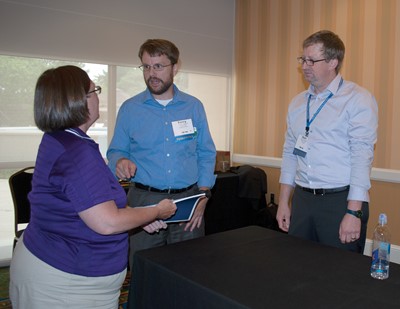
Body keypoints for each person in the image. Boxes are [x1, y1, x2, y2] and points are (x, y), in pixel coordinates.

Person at [9, 65, 176, 309]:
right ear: (80, 100)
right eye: (94, 90)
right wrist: (156, 211)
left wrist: (137, 217)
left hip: (58, 270)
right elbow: (106, 222)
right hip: (65, 280)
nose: (98, 96)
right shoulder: (76, 151)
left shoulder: (63, 138)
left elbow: (91, 205)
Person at [107, 39, 216, 265]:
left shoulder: (193, 106)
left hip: (188, 200)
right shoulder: (130, 109)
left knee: (189, 268)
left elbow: (205, 152)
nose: (151, 73)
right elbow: (115, 151)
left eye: (158, 66)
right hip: (144, 201)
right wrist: (120, 161)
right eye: (146, 66)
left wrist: (203, 195)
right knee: (144, 267)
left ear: (175, 68)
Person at [277, 30, 378, 253]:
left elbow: (362, 157)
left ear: (333, 62)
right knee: (298, 269)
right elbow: (290, 153)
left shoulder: (358, 99)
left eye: (312, 60)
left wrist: (353, 212)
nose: (305, 65)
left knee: (339, 277)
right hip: (303, 199)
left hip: (340, 201)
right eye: (303, 59)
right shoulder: (297, 103)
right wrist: (284, 202)